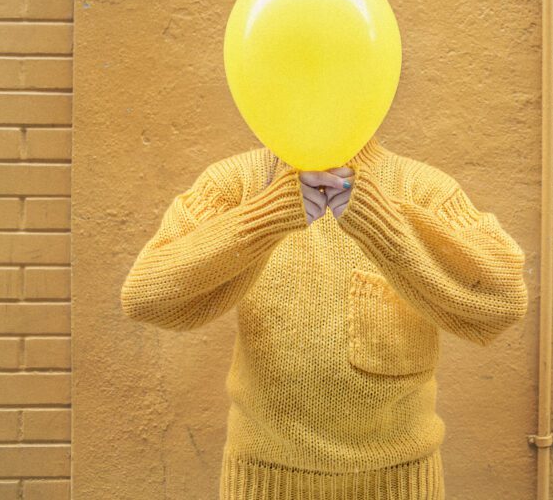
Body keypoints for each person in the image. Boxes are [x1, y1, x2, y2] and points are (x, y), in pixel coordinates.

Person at [119, 134, 529, 499]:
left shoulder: (422, 188)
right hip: (262, 479)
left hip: (399, 481)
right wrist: (268, 215)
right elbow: (146, 295)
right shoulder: (237, 183)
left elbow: (505, 298)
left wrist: (377, 218)